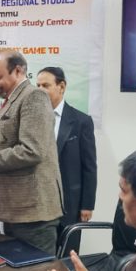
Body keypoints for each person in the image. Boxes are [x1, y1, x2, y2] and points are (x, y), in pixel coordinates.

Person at [0, 50, 63, 254]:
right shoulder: (13, 99)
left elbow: (31, 151)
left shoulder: (34, 97)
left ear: (18, 71)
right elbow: (6, 142)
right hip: (16, 210)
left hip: (33, 214)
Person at [36, 67, 97, 254]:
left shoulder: (81, 121)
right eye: (37, 85)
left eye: (45, 85)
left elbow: (89, 166)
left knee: (67, 257)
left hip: (70, 203)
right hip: (38, 201)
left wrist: (87, 204)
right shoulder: (32, 118)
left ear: (61, 87)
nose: (39, 90)